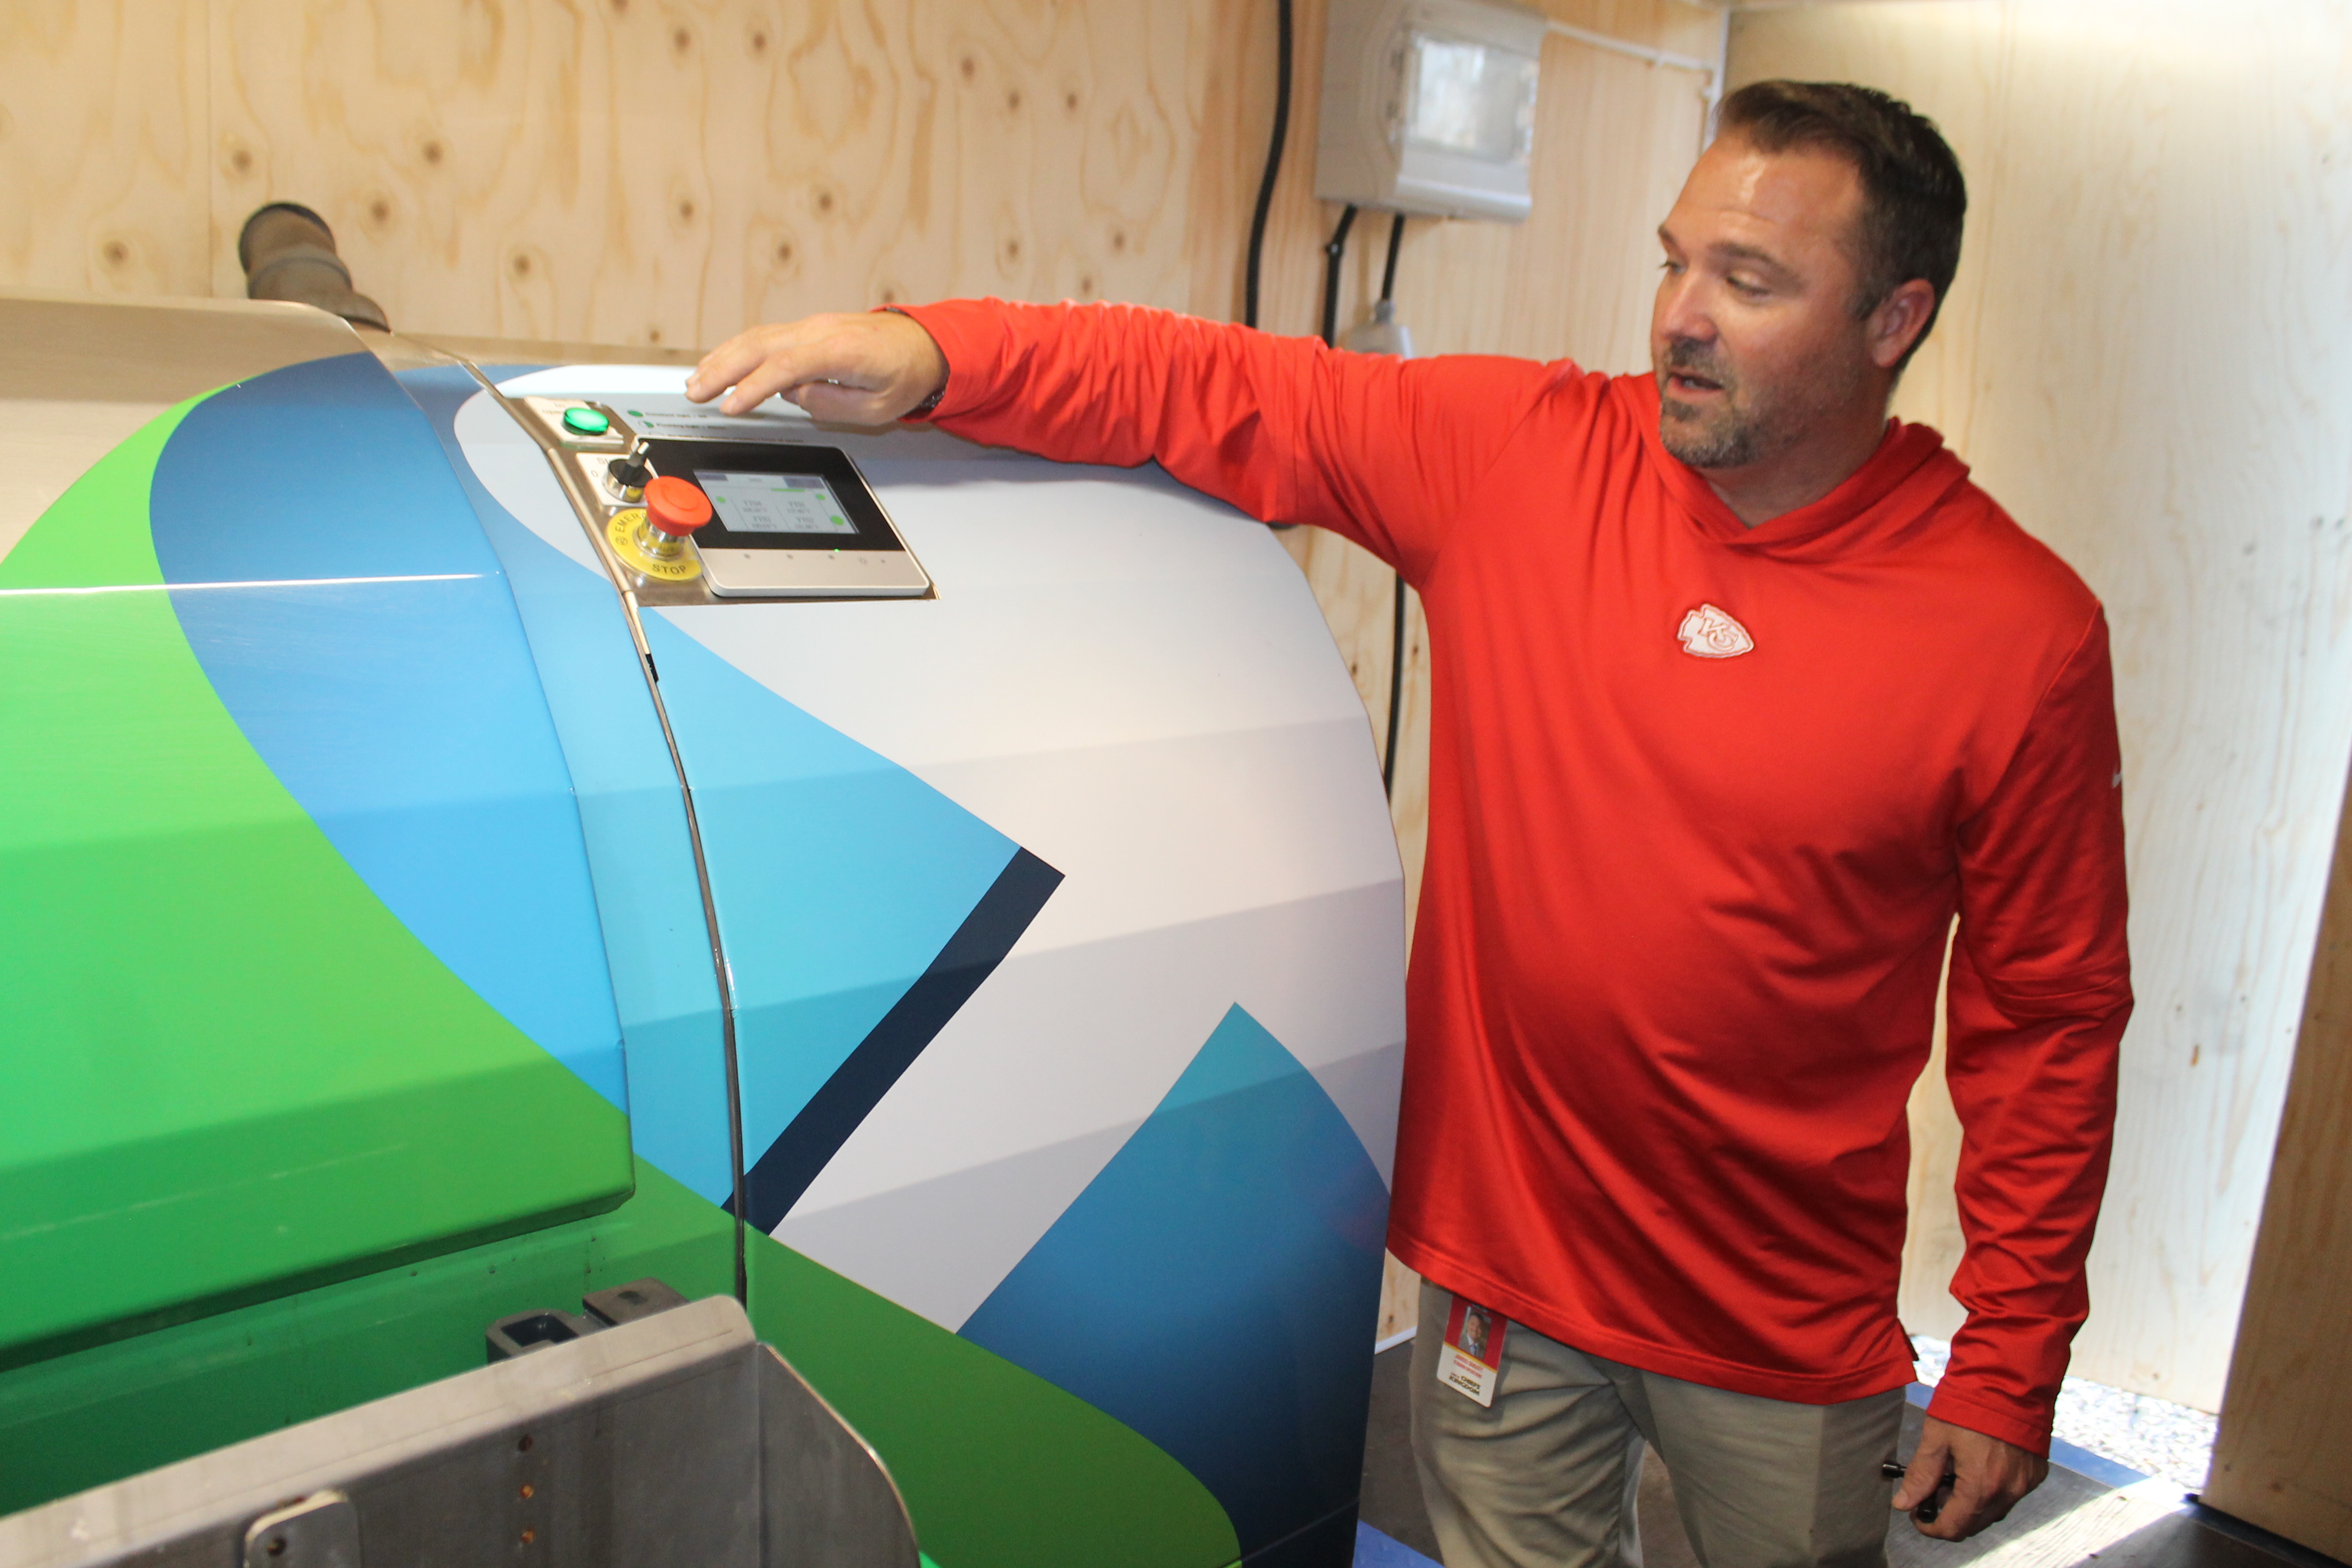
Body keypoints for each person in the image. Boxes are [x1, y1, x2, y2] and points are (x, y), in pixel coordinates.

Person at [685, 80, 2131, 1568]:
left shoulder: (2015, 634)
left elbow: (2050, 1015)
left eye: (1750, 282)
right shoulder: (1527, 458)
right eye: (1675, 260)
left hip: (1777, 1333)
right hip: (1503, 1284)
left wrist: (2011, 1355)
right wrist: (931, 352)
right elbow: (1217, 386)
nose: (1681, 315)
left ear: (1894, 320)